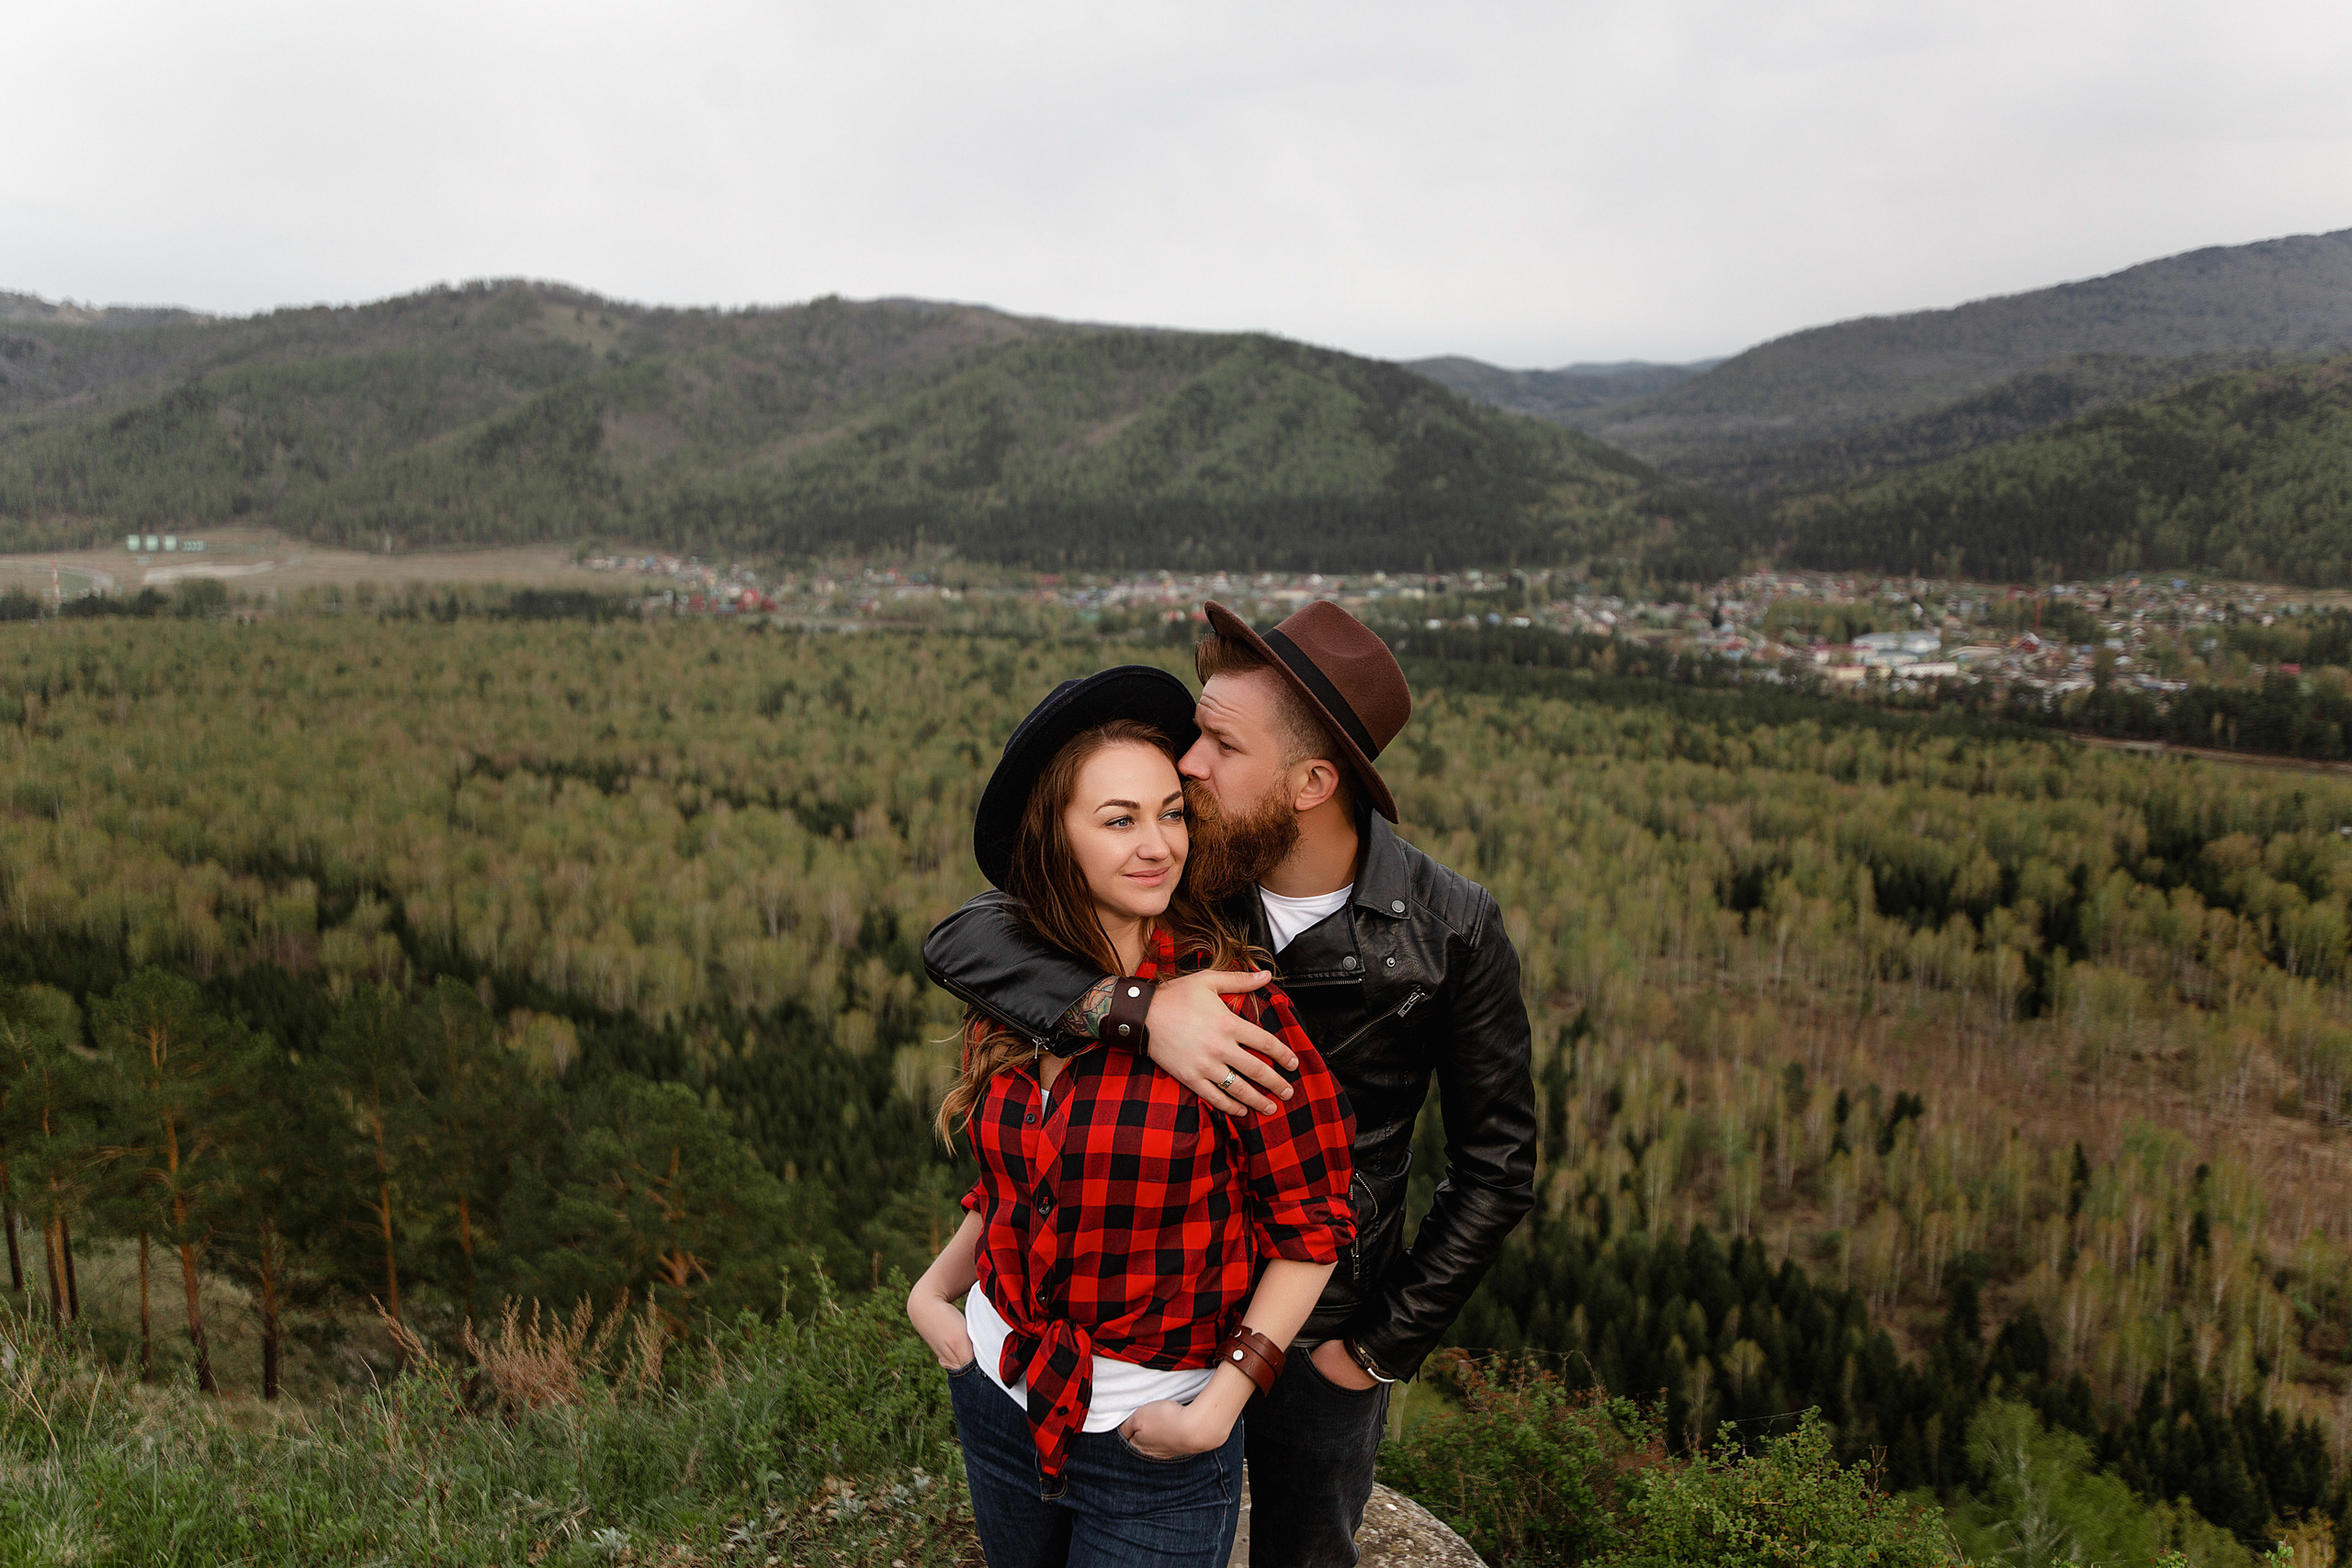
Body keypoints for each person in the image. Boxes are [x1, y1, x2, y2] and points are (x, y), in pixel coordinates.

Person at [924, 603, 1538, 1568]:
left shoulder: (1448, 929)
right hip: (1143, 1304)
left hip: (1315, 1323)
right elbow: (968, 936)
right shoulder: (1190, 870)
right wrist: (1139, 1011)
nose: (1186, 762)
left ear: (1311, 781)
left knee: (1302, 1550)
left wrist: (1372, 1350)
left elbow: (1497, 1166)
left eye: (1216, 740)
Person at [906, 665, 1358, 1568]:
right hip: (998, 1394)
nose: (1158, 845)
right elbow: (1015, 1182)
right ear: (1055, 838)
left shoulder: (1236, 1013)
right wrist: (934, 1292)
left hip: (1150, 1443)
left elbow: (1312, 1231)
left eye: (1170, 813)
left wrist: (1220, 1410)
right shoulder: (1012, 995)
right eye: (1119, 820)